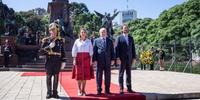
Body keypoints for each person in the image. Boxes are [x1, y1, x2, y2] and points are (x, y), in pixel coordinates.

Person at [40, 22, 66, 99]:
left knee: (56, 77)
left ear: (57, 31)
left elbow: (62, 51)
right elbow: (41, 52)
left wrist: (63, 61)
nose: (53, 31)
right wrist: (48, 47)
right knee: (48, 77)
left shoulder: (60, 40)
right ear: (49, 31)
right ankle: (48, 92)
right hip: (49, 60)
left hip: (57, 61)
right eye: (52, 30)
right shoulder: (46, 40)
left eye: (55, 30)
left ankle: (55, 92)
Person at [72, 28, 94, 96]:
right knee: (79, 75)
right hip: (78, 59)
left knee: (85, 76)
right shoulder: (77, 41)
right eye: (82, 32)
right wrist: (74, 59)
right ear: (80, 33)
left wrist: (91, 60)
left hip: (86, 59)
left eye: (84, 32)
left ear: (86, 33)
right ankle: (79, 89)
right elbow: (74, 50)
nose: (83, 33)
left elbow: (91, 51)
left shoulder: (89, 41)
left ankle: (83, 90)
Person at [93, 28, 115, 95]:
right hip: (99, 61)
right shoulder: (96, 41)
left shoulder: (110, 41)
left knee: (108, 76)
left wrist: (113, 59)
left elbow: (112, 51)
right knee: (99, 76)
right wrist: (94, 60)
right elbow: (94, 51)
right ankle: (99, 90)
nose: (103, 33)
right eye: (102, 32)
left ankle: (107, 90)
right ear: (99, 33)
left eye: (104, 32)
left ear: (106, 33)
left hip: (108, 61)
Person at [116, 24, 136, 94]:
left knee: (129, 74)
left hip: (129, 59)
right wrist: (117, 58)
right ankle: (121, 88)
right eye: (124, 28)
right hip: (122, 59)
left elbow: (133, 48)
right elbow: (117, 49)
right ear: (122, 29)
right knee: (121, 74)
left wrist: (134, 58)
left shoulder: (131, 38)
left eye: (127, 28)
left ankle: (129, 88)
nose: (126, 29)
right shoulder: (119, 38)